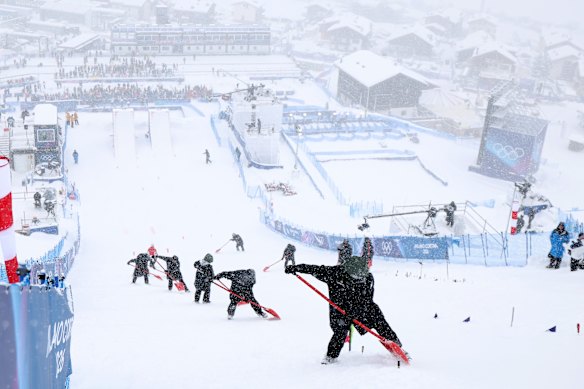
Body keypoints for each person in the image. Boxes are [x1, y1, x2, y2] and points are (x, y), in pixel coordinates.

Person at [285, 254, 403, 365]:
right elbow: (313, 269)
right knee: (340, 332)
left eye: (362, 277)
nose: (360, 280)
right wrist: (295, 268)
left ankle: (397, 346)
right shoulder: (334, 273)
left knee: (378, 319)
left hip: (362, 307)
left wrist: (355, 312)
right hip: (339, 310)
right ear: (347, 271)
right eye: (356, 278)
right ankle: (330, 357)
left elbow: (368, 299)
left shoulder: (368, 278)